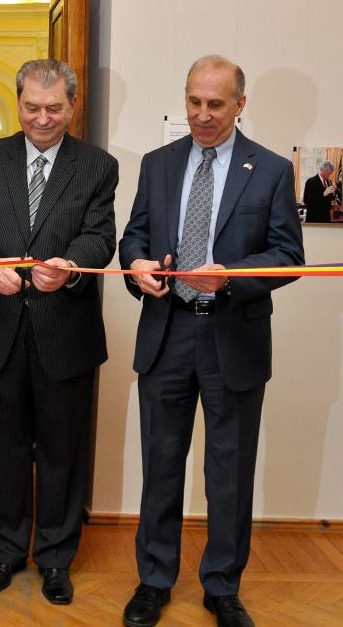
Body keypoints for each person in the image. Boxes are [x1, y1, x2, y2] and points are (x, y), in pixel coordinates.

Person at [118, 55, 305, 627]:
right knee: (161, 466)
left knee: (229, 472)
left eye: (215, 104)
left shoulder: (271, 170)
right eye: (194, 101)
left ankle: (222, 587)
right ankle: (154, 580)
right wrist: (137, 266)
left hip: (233, 338)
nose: (201, 115)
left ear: (240, 104)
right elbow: (134, 238)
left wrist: (230, 278)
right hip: (167, 333)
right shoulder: (158, 164)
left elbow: (288, 256)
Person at [0, 58, 118, 605]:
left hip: (64, 329)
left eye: (53, 108)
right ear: (17, 102)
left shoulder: (97, 166)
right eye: (31, 107)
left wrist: (69, 266)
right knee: (2, 448)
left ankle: (55, 558)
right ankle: (4, 552)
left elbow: (101, 237)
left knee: (62, 450)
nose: (42, 119)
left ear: (72, 105)